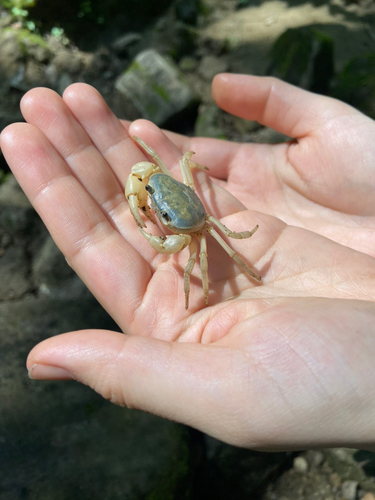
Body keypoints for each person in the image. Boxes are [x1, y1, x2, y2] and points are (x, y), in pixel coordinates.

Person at [1, 73, 375, 451]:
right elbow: (152, 166)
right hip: (180, 196)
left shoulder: (197, 234)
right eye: (153, 200)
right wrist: (147, 197)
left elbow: (227, 240)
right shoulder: (159, 180)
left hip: (197, 222)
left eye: (160, 215)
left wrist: (159, 236)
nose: (155, 210)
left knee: (209, 260)